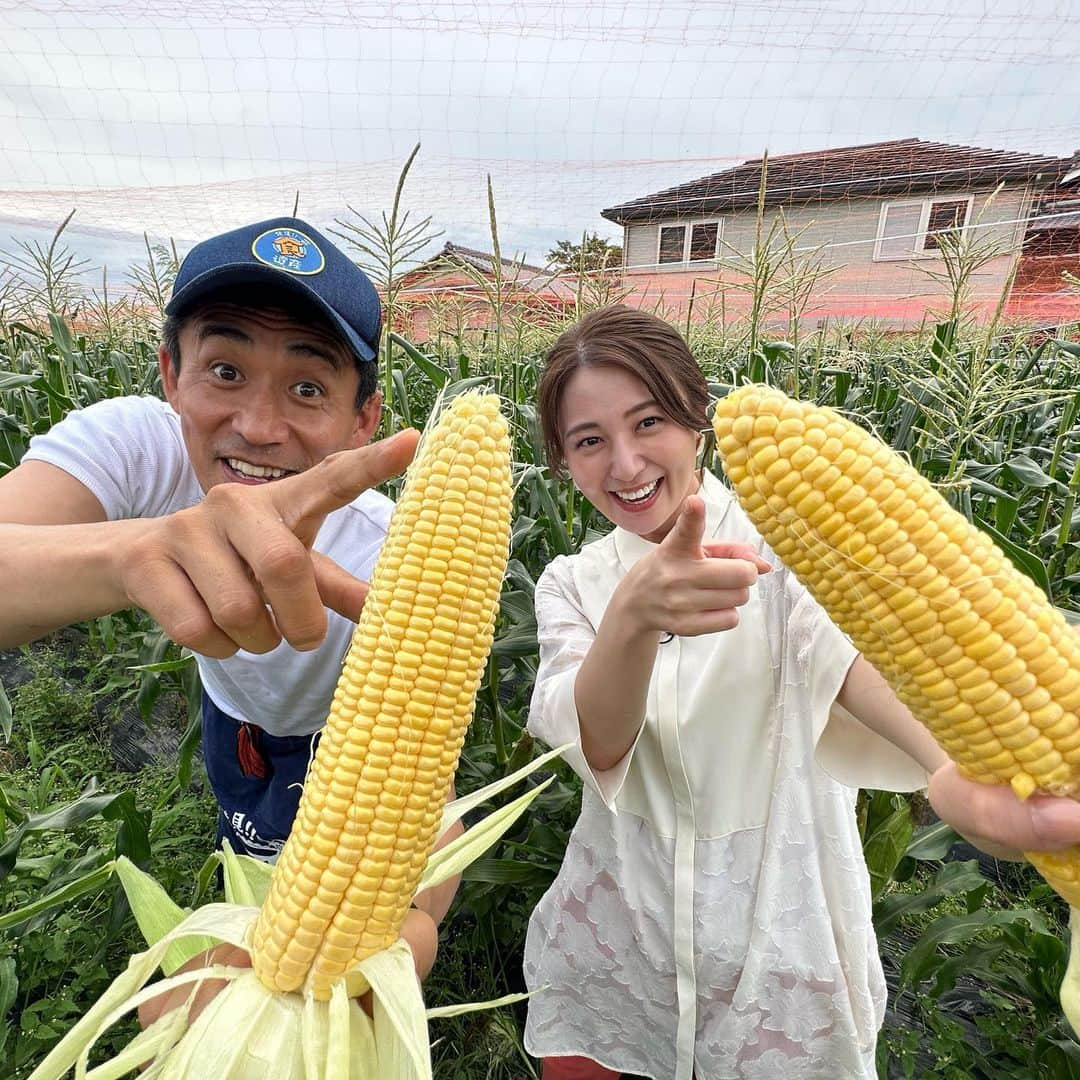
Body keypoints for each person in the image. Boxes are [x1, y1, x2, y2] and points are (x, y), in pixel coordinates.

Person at [521, 305, 1080, 1080]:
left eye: (648, 421)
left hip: (778, 955)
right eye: (588, 442)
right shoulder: (572, 584)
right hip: (616, 946)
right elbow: (597, 741)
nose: (624, 464)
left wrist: (947, 766)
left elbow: (854, 657)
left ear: (695, 418)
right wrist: (633, 618)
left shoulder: (787, 545)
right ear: (563, 461)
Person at [0, 216, 459, 987]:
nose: (257, 426)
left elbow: (422, 748)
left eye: (308, 387)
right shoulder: (133, 445)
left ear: (363, 421)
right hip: (234, 719)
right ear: (170, 374)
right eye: (224, 371)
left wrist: (418, 913)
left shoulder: (388, 549)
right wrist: (130, 553)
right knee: (245, 853)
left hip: (341, 743)